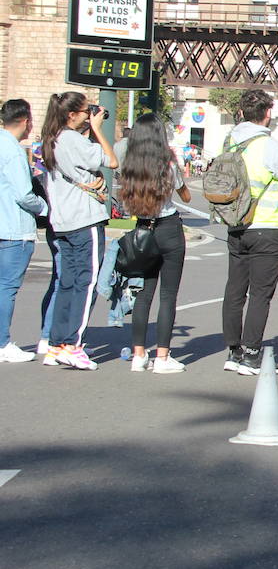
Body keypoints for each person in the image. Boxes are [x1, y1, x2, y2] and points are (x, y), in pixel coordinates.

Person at [220, 89, 278, 377]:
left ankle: (234, 350)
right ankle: (252, 354)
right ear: (268, 113)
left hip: (235, 224)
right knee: (260, 295)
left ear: (241, 112)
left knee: (235, 290)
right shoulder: (267, 144)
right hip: (265, 225)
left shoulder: (230, 141)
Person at [39, 92, 118, 370]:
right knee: (86, 283)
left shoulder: (52, 137)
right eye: (86, 112)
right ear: (72, 115)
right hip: (84, 219)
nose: (89, 116)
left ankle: (56, 342)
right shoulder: (73, 139)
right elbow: (111, 160)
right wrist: (97, 129)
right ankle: (73, 344)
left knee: (67, 282)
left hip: (62, 221)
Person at [119, 114, 192, 374]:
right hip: (169, 229)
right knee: (168, 295)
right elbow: (186, 194)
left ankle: (139, 353)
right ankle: (162, 356)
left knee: (143, 294)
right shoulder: (168, 162)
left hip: (142, 230)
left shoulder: (131, 165)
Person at [0, 99, 47, 363]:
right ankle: (3, 343)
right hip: (14, 229)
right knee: (6, 288)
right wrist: (44, 208)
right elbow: (23, 194)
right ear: (25, 121)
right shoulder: (14, 151)